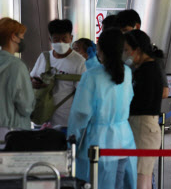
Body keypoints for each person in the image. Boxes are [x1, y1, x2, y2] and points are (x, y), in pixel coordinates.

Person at [67, 28, 136, 189]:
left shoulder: (91, 76)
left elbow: (80, 113)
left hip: (98, 145)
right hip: (124, 141)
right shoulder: (126, 72)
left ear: (100, 49)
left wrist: (72, 140)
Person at [123, 30, 163, 189]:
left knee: (139, 176)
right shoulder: (145, 68)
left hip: (143, 126)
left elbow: (143, 101)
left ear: (137, 50)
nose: (124, 54)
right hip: (143, 126)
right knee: (142, 175)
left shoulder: (148, 70)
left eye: (126, 50)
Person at [30, 19, 86, 127]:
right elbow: (32, 77)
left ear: (71, 38)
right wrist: (33, 82)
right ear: (50, 39)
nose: (60, 43)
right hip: (42, 118)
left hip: (66, 121)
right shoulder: (44, 57)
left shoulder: (79, 62)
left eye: (64, 39)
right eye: (56, 39)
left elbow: (83, 94)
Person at [0, 18, 35, 148]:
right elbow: (26, 107)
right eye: (22, 36)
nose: (23, 39)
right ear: (13, 37)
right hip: (12, 133)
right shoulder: (17, 66)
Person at [115, 9, 169, 98]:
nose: (123, 35)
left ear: (137, 26)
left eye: (125, 30)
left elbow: (164, 92)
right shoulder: (121, 53)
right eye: (120, 32)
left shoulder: (152, 59)